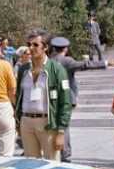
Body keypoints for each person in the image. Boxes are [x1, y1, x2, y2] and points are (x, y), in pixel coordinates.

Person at [50, 36, 114, 162]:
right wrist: (105, 63)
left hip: (52, 98)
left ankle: (55, 152)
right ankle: (65, 155)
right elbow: (85, 64)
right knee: (64, 127)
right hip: (65, 99)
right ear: (65, 48)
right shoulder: (66, 61)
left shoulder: (48, 61)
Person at [15, 30, 72, 161]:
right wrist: (18, 121)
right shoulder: (23, 70)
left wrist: (61, 131)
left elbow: (65, 102)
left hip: (48, 123)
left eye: (35, 45)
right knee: (30, 164)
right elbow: (19, 95)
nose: (30, 48)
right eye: (29, 44)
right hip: (26, 122)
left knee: (51, 164)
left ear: (45, 47)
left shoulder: (57, 69)